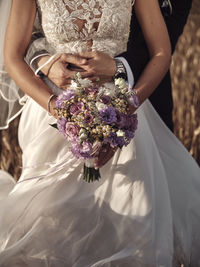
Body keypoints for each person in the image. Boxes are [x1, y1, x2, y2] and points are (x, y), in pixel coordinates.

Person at [0, 1, 200, 267]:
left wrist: (126, 110)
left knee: (134, 214)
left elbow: (161, 52)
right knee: (50, 223)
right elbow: (13, 56)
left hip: (121, 113)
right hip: (53, 114)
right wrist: (60, 111)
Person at [25, 0, 193, 132]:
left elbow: (161, 51)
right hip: (50, 107)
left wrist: (120, 117)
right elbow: (15, 51)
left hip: (125, 103)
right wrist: (63, 115)